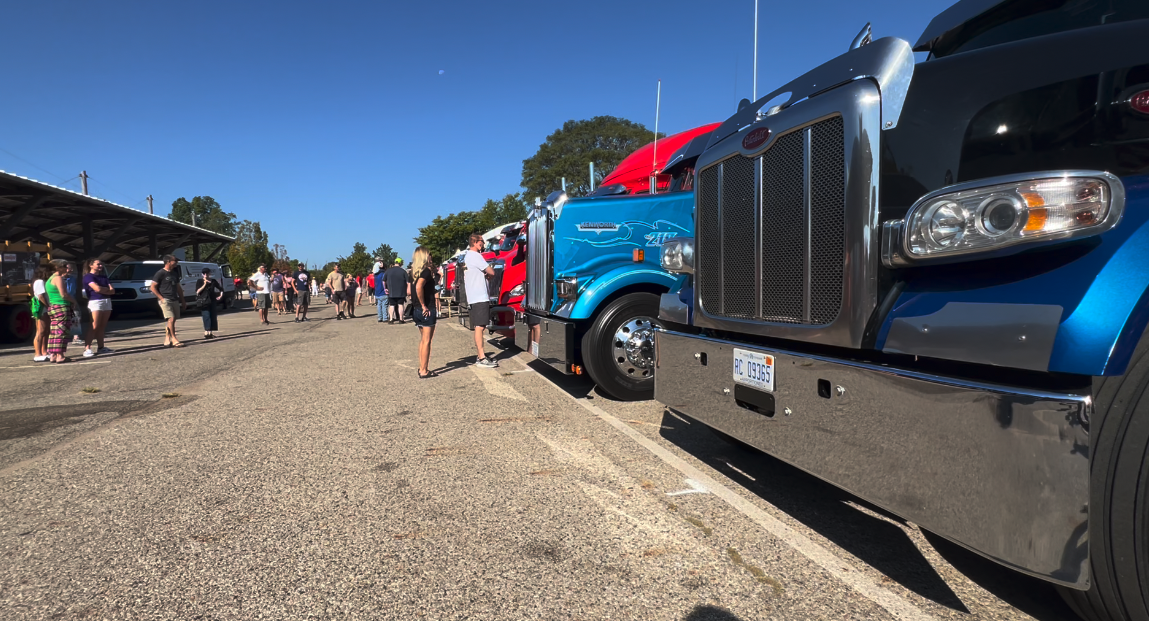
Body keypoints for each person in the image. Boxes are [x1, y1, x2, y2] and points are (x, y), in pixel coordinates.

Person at [463, 233, 498, 367]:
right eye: (482, 242)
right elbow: (491, 272)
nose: (483, 244)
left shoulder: (467, 257)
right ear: (476, 242)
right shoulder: (476, 256)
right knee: (480, 327)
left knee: (480, 326)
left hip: (473, 296)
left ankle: (481, 356)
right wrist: (488, 274)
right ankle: (482, 357)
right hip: (479, 296)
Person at [411, 247, 438, 378]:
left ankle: (422, 366)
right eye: (429, 255)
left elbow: (411, 290)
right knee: (427, 341)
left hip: (416, 310)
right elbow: (418, 286)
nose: (431, 257)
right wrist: (424, 305)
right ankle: (424, 370)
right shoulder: (426, 271)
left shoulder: (415, 273)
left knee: (423, 340)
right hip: (426, 309)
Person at [150, 254, 187, 347]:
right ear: (168, 262)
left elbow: (178, 288)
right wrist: (161, 299)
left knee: (172, 321)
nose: (176, 263)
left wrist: (183, 300)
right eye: (175, 261)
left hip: (174, 299)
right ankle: (174, 339)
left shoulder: (174, 273)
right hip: (165, 299)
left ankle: (167, 338)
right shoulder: (160, 273)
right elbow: (152, 287)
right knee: (171, 318)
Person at [82, 258, 115, 357]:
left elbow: (112, 290)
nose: (101, 266)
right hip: (95, 301)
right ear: (91, 265)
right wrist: (104, 289)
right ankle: (87, 348)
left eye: (101, 264)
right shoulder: (88, 277)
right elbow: (96, 289)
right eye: (98, 264)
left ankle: (101, 347)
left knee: (102, 326)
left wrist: (102, 290)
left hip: (106, 301)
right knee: (94, 325)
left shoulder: (104, 277)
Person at [45, 259, 77, 363]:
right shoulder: (58, 278)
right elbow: (64, 294)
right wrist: (74, 302)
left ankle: (53, 355)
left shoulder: (49, 279)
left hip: (53, 306)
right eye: (64, 266)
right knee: (62, 331)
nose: (66, 268)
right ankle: (60, 356)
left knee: (54, 331)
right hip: (62, 306)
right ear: (58, 267)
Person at [196, 267, 224, 338]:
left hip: (212, 300)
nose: (206, 275)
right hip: (204, 301)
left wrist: (220, 296)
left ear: (209, 273)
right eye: (204, 273)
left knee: (213, 316)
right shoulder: (199, 281)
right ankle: (206, 332)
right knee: (206, 316)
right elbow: (197, 292)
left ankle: (210, 332)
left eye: (207, 273)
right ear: (202, 274)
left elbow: (221, 289)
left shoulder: (213, 281)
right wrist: (204, 284)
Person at [31, 266, 51, 362]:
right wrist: (48, 306)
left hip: (45, 309)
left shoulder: (43, 281)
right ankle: (37, 354)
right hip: (41, 309)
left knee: (46, 331)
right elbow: (41, 296)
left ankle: (44, 351)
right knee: (40, 331)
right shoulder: (39, 282)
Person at [64, 262, 85, 346]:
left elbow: (74, 290)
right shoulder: (59, 279)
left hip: (73, 300)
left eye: (72, 268)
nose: (71, 270)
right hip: (63, 301)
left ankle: (76, 337)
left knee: (76, 317)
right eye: (69, 268)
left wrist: (74, 301)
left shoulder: (72, 278)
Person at [383, 258, 410, 324]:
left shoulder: (388, 271)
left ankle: (391, 319)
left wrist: (385, 288)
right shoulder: (403, 271)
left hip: (391, 291)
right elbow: (408, 282)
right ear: (400, 263)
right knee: (400, 305)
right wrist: (408, 290)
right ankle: (401, 319)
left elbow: (383, 281)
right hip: (401, 291)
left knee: (391, 305)